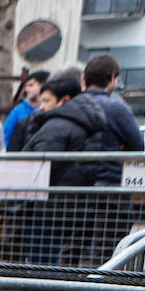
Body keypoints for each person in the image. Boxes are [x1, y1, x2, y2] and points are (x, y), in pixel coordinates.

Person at [21, 76, 107, 266]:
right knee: (66, 263)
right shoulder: (87, 122)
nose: (41, 107)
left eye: (46, 101)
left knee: (42, 264)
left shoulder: (57, 125)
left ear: (64, 100)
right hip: (78, 205)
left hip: (51, 208)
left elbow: (38, 165)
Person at [76, 53, 145, 265]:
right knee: (108, 249)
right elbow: (138, 146)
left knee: (73, 243)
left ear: (85, 78)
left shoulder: (71, 105)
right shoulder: (117, 108)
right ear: (112, 77)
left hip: (75, 186)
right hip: (111, 185)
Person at [4, 70, 50, 151]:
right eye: (26, 86)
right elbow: (6, 135)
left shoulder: (52, 109)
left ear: (43, 85)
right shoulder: (18, 110)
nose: (26, 89)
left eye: (31, 85)